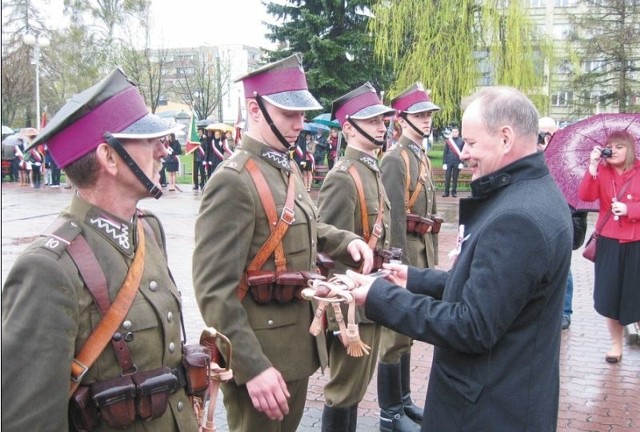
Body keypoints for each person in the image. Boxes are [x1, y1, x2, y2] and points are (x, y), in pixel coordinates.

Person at [345, 86, 573, 431]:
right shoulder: (534, 192)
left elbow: (472, 325)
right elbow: (491, 290)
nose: (463, 153)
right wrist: (414, 278)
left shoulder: (518, 218)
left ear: (506, 138)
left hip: (486, 410)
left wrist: (379, 297)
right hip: (507, 396)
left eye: (471, 143)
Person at [1, 68, 198, 430]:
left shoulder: (147, 229)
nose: (162, 149)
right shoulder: (49, 268)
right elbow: (30, 420)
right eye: (147, 139)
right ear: (109, 158)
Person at [192, 53, 374, 432]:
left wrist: (345, 241)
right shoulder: (234, 181)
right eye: (289, 113)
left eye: (302, 114)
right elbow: (213, 290)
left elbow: (305, 227)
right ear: (255, 109)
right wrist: (251, 366)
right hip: (260, 355)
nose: (299, 123)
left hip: (294, 349)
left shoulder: (284, 165)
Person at [316, 83, 395, 431]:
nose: (382, 127)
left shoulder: (370, 170)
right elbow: (328, 244)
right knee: (344, 388)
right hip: (350, 305)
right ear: (348, 127)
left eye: (383, 121)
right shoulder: (343, 177)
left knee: (357, 387)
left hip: (371, 293)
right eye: (373, 121)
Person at [376, 82, 441, 432]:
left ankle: (403, 401)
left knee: (408, 332)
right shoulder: (395, 159)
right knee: (394, 335)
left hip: (422, 251)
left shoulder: (418, 156)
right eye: (420, 114)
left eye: (429, 114)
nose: (427, 120)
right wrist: (396, 262)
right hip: (405, 255)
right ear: (401, 119)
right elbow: (394, 217)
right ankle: (390, 413)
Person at [579, 129, 640, 363]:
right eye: (610, 146)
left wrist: (631, 211)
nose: (613, 150)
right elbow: (585, 196)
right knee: (610, 294)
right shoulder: (602, 171)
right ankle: (616, 345)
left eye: (619, 146)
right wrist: (592, 168)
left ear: (630, 149)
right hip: (609, 241)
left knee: (636, 294)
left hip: (636, 241)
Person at [539, 116, 588, 330]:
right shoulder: (533, 155)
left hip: (565, 220)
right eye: (540, 133)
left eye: (548, 133)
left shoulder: (569, 157)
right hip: (541, 219)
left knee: (563, 269)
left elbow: (579, 196)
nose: (544, 138)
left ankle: (565, 312)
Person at [442, 126, 465, 197]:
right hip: (448, 162)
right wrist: (444, 163)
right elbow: (445, 152)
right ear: (452, 133)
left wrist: (461, 163)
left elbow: (463, 152)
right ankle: (446, 192)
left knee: (455, 178)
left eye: (456, 132)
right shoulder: (449, 141)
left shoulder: (462, 141)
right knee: (447, 177)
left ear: (458, 132)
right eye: (453, 132)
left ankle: (454, 192)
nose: (454, 133)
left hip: (457, 162)